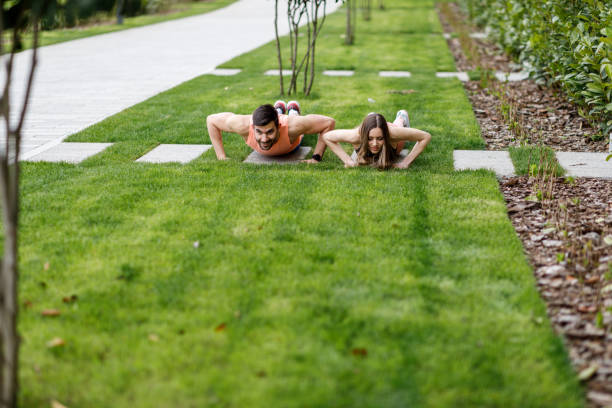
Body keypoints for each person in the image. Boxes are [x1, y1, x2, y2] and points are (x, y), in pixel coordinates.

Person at [206, 101, 335, 163]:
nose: (264, 139)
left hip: (291, 144)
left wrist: (316, 158)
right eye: (259, 132)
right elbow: (211, 120)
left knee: (294, 118)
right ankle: (278, 109)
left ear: (278, 126)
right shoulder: (242, 125)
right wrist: (221, 157)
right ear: (252, 127)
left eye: (269, 132)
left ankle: (293, 109)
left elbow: (329, 123)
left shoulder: (293, 127)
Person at [322, 110, 431, 169]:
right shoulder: (356, 136)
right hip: (370, 129)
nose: (374, 144)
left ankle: (401, 117)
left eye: (380, 139)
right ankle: (372, 116)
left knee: (397, 126)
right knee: (372, 125)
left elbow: (425, 136)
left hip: (393, 134)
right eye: (370, 139)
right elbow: (327, 137)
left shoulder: (392, 134)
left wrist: (406, 163)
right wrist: (348, 161)